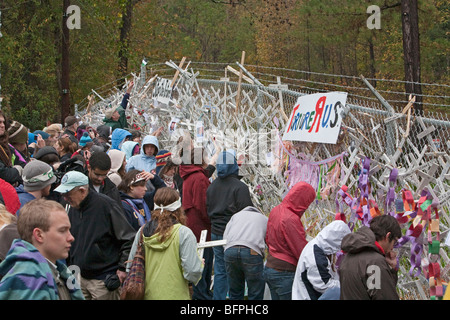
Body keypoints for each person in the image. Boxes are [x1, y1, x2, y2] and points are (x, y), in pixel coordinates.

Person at [54, 171, 136, 300]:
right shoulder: (70, 207)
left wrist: (122, 268)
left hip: (102, 280)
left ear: (82, 191)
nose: (65, 197)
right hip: (78, 276)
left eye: (68, 193)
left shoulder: (106, 205)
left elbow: (128, 237)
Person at [126, 187, 203, 299]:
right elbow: (192, 271)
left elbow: (130, 265)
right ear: (178, 208)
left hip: (147, 295)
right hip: (176, 295)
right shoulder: (184, 233)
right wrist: (199, 263)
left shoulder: (143, 231)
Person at [0, 198, 85, 300]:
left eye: (69, 230)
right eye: (62, 230)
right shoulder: (30, 279)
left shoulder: (54, 271)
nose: (71, 238)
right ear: (39, 235)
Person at [206, 150, 253, 300]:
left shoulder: (211, 187)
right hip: (234, 234)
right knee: (237, 270)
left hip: (216, 232)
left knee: (220, 269)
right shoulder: (240, 187)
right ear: (233, 166)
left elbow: (208, 208)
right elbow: (248, 212)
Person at [264, 181, 316, 300]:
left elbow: (268, 238)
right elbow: (300, 250)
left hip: (271, 266)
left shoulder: (276, 210)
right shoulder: (290, 218)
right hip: (284, 272)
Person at [339, 214, 402, 300]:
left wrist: (391, 268)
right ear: (387, 236)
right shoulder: (375, 262)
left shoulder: (350, 255)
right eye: (394, 242)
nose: (392, 248)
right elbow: (383, 295)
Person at [179, 148, 213, 300]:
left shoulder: (189, 174)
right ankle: (202, 295)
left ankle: (203, 292)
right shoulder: (199, 177)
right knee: (203, 260)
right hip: (201, 226)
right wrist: (211, 220)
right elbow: (202, 204)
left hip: (192, 222)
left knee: (200, 259)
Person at [292, 220, 351, 300]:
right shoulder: (314, 254)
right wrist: (348, 287)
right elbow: (324, 285)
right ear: (336, 241)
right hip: (308, 296)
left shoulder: (321, 246)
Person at [223, 206, 268, 300]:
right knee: (255, 292)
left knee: (235, 291)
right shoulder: (264, 219)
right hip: (252, 251)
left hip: (230, 249)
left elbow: (225, 237)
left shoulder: (235, 216)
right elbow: (269, 239)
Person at [0, 111, 22, 186]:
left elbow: (22, 163)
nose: (2, 125)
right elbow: (4, 175)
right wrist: (17, 171)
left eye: (3, 122)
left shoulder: (6, 145)